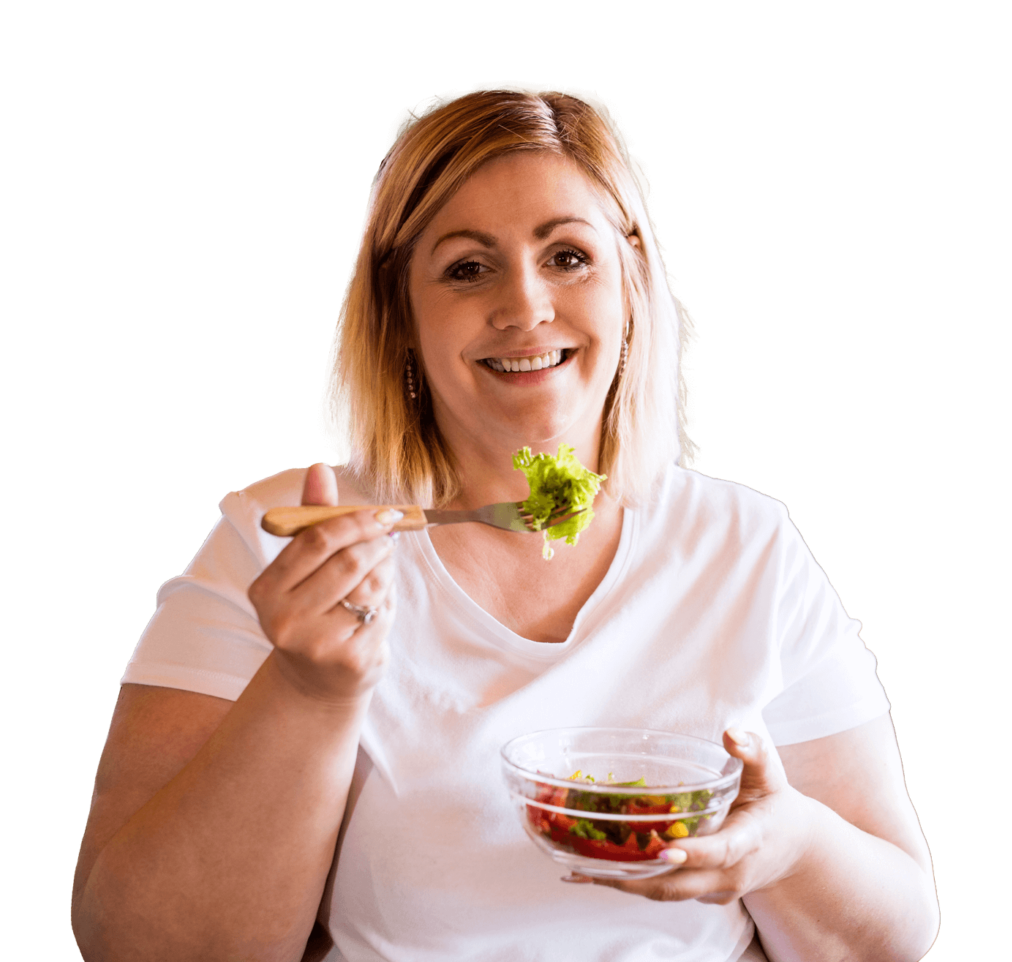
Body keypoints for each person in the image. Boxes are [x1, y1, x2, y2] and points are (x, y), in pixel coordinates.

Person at [70, 85, 940, 962]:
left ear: (631, 282)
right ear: (400, 313)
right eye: (466, 267)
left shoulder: (746, 546)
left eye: (567, 256)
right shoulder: (284, 535)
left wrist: (785, 845)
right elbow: (138, 946)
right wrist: (308, 692)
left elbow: (892, 934)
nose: (526, 307)